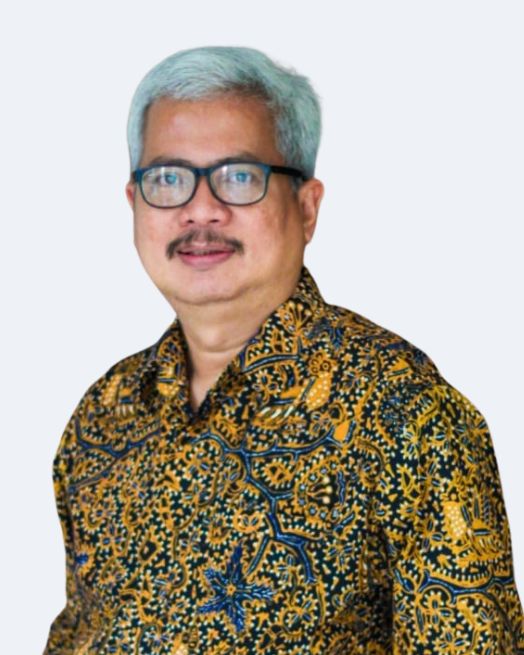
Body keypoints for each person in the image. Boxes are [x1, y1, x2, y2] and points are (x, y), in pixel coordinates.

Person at [43, 46, 524, 654]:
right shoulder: (103, 418)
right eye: (168, 179)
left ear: (306, 207)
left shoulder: (402, 412)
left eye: (239, 177)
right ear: (134, 203)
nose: (200, 210)